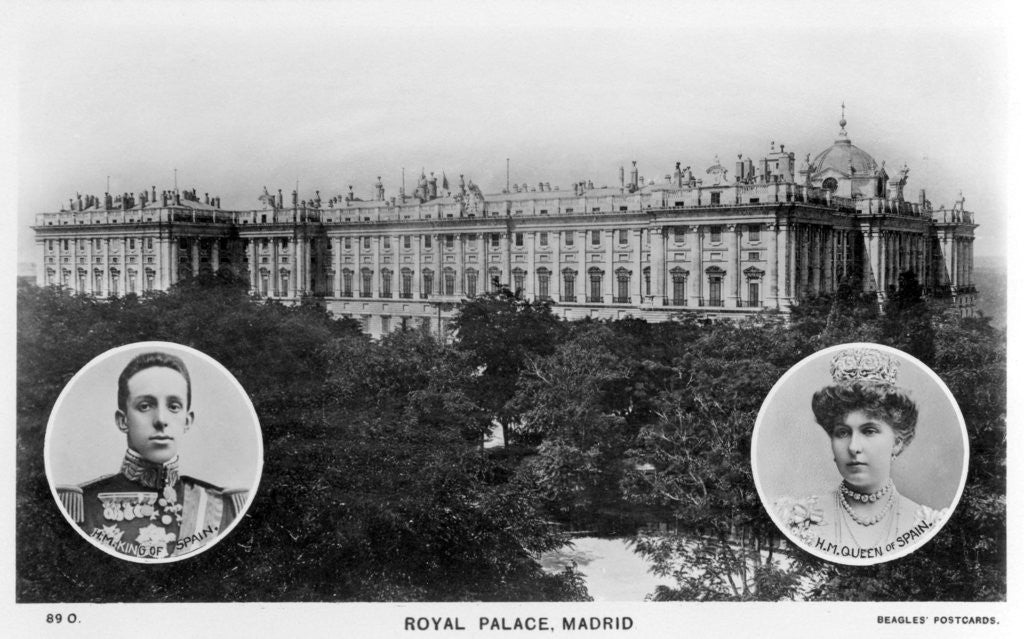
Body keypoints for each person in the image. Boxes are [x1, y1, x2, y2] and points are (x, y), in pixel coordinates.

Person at [56, 351, 248, 560]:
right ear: (123, 420)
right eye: (145, 406)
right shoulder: (80, 506)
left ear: (187, 421)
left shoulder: (225, 508)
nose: (161, 420)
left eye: (174, 406)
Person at [774, 347, 949, 562]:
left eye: (869, 431)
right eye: (842, 432)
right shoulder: (796, 516)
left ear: (897, 442)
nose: (853, 447)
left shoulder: (928, 522)